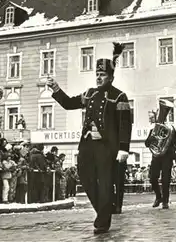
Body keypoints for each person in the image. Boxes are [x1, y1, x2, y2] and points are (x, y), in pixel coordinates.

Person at [47, 42, 131, 234]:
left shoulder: (119, 97)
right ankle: (105, 208)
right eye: (97, 75)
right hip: (86, 145)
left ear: (111, 77)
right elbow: (69, 104)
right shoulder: (89, 94)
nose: (99, 78)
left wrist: (123, 148)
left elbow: (125, 124)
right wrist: (57, 89)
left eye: (103, 75)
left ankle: (102, 222)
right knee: (85, 179)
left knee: (105, 183)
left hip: (105, 146)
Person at [145, 101, 176, 209]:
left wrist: (168, 147)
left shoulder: (171, 129)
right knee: (153, 178)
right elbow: (147, 144)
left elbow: (175, 144)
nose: (161, 119)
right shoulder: (153, 130)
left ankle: (165, 201)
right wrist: (153, 137)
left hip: (167, 157)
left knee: (166, 179)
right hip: (156, 157)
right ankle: (158, 196)